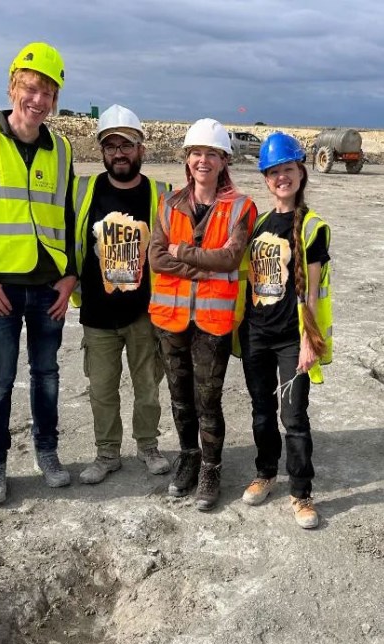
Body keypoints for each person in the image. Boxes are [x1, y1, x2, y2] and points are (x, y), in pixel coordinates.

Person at [0, 42, 76, 505]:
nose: (38, 100)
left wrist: (71, 276)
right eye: (31, 87)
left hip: (49, 287)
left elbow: (69, 215)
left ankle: (47, 452)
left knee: (47, 374)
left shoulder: (60, 148)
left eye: (48, 92)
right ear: (12, 87)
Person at [149, 118, 257, 511]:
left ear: (225, 159)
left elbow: (231, 257)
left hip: (212, 322)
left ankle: (211, 467)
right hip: (170, 320)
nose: (203, 161)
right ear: (186, 158)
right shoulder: (168, 204)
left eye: (212, 154)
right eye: (196, 153)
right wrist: (202, 263)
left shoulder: (241, 207)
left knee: (208, 400)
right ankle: (188, 459)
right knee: (180, 399)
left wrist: (184, 253)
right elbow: (157, 259)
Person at [235, 133, 333, 529]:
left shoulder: (312, 227)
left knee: (293, 418)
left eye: (287, 170)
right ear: (265, 177)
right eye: (273, 172)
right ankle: (265, 473)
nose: (281, 178)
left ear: (301, 172)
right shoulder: (257, 222)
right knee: (261, 413)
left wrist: (311, 342)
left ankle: (301, 493)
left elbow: (311, 293)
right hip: (256, 334)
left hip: (292, 339)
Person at [70, 105, 172, 484]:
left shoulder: (160, 195)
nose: (119, 153)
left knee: (147, 387)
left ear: (141, 148)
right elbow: (69, 244)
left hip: (145, 313)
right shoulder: (84, 192)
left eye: (126, 145)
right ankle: (107, 453)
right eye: (111, 145)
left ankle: (148, 446)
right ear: (101, 151)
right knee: (101, 389)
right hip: (97, 314)